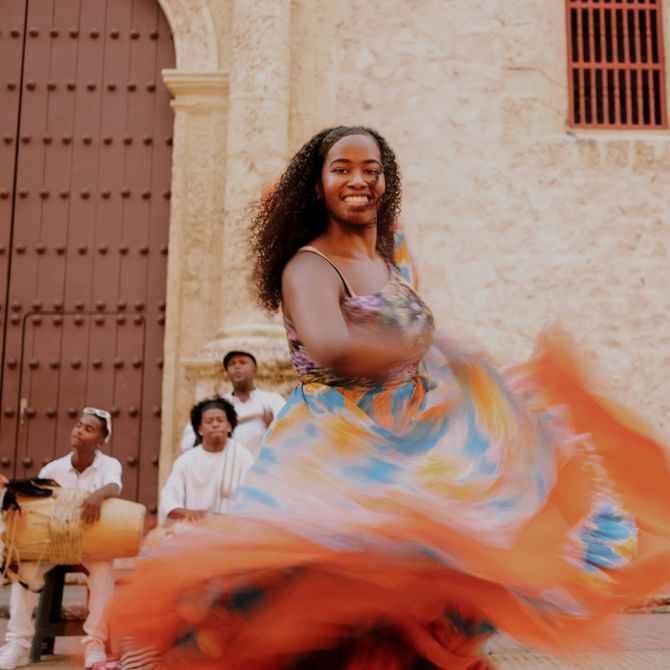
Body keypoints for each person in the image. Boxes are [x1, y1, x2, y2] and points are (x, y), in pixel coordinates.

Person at [108, 126, 670, 669]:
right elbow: (331, 347)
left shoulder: (386, 260)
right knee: (329, 594)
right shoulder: (308, 266)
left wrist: (464, 374)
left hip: (410, 434)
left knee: (423, 593)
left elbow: (414, 335)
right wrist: (415, 344)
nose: (359, 180)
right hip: (338, 444)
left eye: (372, 171)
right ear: (316, 184)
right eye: (342, 169)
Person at [0, 408, 122, 670]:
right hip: (53, 545)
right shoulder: (54, 468)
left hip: (90, 545)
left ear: (101, 442)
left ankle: (94, 644)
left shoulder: (109, 465)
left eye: (88, 429)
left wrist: (97, 496)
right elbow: (37, 504)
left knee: (103, 571)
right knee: (25, 572)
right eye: (78, 425)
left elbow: (114, 486)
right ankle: (17, 644)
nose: (79, 431)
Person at [160, 397, 254, 523]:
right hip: (194, 534)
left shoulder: (243, 456)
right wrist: (190, 515)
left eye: (220, 420)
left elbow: (254, 500)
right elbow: (168, 502)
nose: (215, 424)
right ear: (200, 430)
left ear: (229, 426)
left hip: (233, 533)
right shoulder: (185, 461)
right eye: (209, 421)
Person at [179, 350, 285, 459]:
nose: (237, 367)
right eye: (232, 364)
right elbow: (187, 444)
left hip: (264, 470)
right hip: (226, 472)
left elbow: (294, 437)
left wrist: (272, 426)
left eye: (242, 362)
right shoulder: (216, 406)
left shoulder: (273, 400)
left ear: (255, 369)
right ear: (227, 372)